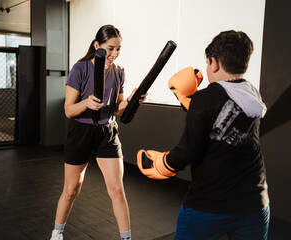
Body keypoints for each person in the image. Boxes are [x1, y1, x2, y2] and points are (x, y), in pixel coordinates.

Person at [137, 30, 270, 240]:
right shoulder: (251, 92)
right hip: (255, 202)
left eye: (208, 63)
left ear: (214, 63)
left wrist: (163, 163)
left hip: (210, 203)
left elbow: (188, 150)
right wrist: (188, 99)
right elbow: (224, 116)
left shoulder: (205, 98)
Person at [50, 24, 145, 240]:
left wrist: (131, 99)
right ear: (97, 46)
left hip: (107, 131)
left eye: (118, 49)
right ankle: (57, 233)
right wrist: (86, 103)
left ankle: (126, 238)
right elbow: (68, 110)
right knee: (71, 190)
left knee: (117, 190)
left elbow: (119, 109)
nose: (114, 54)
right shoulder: (80, 69)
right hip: (81, 130)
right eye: (110, 48)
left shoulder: (119, 71)